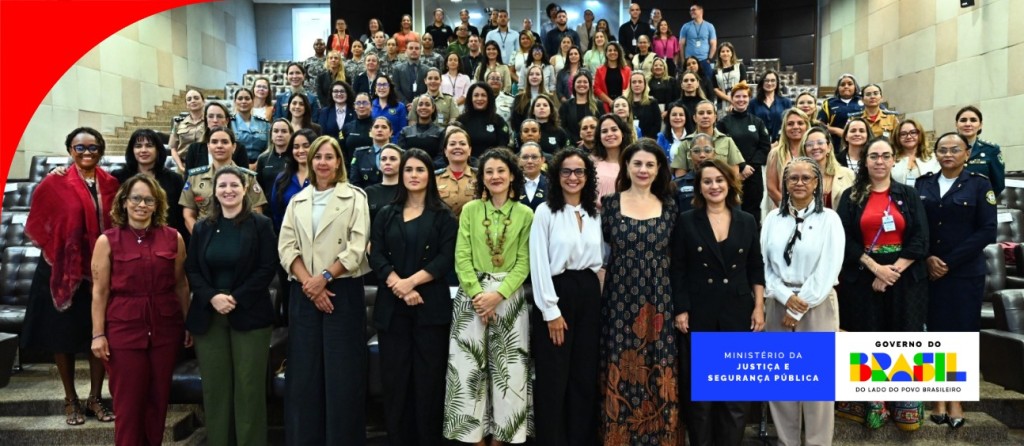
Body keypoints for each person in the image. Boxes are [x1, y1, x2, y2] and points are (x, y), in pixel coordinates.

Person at [278, 136, 371, 445]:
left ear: (339, 161)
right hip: (304, 293)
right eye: (318, 157)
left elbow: (357, 247)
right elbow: (286, 247)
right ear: (310, 160)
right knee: (305, 376)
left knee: (342, 375)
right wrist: (311, 283)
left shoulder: (355, 197)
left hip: (342, 291)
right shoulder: (297, 200)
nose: (323, 162)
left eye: (329, 157)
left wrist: (326, 277)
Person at [23, 127, 119, 426]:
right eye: (80, 148)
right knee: (61, 336)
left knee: (98, 334)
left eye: (93, 147)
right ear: (70, 151)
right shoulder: (54, 182)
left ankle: (95, 397)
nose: (87, 152)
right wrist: (61, 249)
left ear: (101, 150)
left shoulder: (111, 183)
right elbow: (38, 222)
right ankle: (71, 399)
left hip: (100, 272)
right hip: (62, 271)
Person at [835, 137, 929, 431]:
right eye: (873, 156)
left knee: (904, 339)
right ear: (864, 161)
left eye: (885, 156)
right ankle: (872, 404)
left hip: (905, 279)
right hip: (863, 277)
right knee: (867, 338)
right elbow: (844, 240)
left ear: (893, 160)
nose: (879, 161)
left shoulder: (908, 194)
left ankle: (904, 406)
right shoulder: (851, 196)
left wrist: (892, 272)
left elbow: (921, 237)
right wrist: (876, 269)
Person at [443, 148, 534, 445]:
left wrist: (498, 295)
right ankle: (475, 438)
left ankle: (502, 438)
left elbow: (524, 262)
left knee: (508, 372)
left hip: (509, 298)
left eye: (501, 171)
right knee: (469, 370)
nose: (495, 176)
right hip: (472, 298)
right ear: (481, 178)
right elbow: (461, 257)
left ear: (512, 176)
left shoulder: (525, 214)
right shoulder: (470, 210)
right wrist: (479, 295)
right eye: (489, 172)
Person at [90, 174, 189, 445]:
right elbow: (99, 291)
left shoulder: (174, 238)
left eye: (149, 200)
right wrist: (98, 334)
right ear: (124, 202)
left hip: (165, 330)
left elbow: (181, 285)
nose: (142, 205)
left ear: (157, 205)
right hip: (124, 331)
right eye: (135, 198)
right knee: (129, 407)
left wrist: (187, 323)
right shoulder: (107, 241)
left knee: (157, 404)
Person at [368, 147, 457, 446]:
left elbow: (445, 259)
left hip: (430, 310)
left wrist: (411, 283)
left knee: (428, 383)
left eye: (420, 170)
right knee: (396, 382)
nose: (414, 175)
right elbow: (376, 255)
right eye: (409, 169)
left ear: (430, 175)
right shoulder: (385, 214)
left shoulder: (444, 215)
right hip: (392, 311)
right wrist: (399, 285)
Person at [673, 158, 765, 446]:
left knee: (734, 396)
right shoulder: (687, 220)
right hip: (701, 312)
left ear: (729, 183)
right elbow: (678, 268)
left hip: (737, 313)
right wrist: (681, 308)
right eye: (707, 181)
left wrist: (759, 307)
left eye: (719, 180)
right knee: (701, 396)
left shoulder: (747, 220)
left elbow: (756, 267)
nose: (714, 186)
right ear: (699, 187)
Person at [184, 166, 278, 446]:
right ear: (214, 191)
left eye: (234, 185)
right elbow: (192, 269)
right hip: (209, 313)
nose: (228, 190)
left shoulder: (260, 225)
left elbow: (267, 267)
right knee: (216, 388)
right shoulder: (202, 227)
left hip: (249, 311)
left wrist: (235, 298)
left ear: (245, 189)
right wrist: (212, 296)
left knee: (249, 388)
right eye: (222, 185)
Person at [599, 139, 680, 444]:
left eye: (649, 164)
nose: (643, 169)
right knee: (621, 364)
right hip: (619, 300)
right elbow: (601, 255)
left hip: (659, 299)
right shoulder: (610, 204)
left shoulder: (670, 206)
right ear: (627, 167)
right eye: (637, 163)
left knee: (658, 365)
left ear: (659, 169)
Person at [760, 156, 845, 446]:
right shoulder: (772, 219)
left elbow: (829, 268)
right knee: (782, 382)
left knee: (817, 385)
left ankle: (817, 442)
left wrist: (798, 306)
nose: (799, 183)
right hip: (778, 302)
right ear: (784, 183)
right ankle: (787, 441)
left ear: (816, 183)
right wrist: (784, 297)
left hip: (816, 305)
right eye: (792, 178)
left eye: (805, 178)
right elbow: (764, 266)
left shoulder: (829, 219)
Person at [918, 132, 997, 431]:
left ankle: (956, 399)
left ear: (966, 153)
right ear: (935, 154)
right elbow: (917, 227)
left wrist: (949, 262)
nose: (948, 154)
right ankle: (938, 398)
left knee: (961, 336)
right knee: (935, 335)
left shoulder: (980, 184)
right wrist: (928, 257)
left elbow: (987, 230)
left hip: (964, 273)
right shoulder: (923, 184)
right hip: (930, 272)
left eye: (955, 149)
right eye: (942, 150)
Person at [529, 148, 602, 446]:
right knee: (554, 376)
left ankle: (580, 439)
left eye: (579, 171)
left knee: (584, 374)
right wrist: (551, 311)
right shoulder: (545, 212)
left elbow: (600, 262)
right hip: (557, 293)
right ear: (556, 175)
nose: (573, 177)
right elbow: (538, 263)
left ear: (588, 176)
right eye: (566, 171)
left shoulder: (594, 212)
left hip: (589, 293)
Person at [180, 127, 267, 233]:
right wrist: (200, 237)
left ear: (234, 147)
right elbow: (188, 214)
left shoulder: (248, 177)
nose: (219, 146)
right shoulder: (195, 177)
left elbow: (257, 212)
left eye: (225, 142)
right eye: (214, 142)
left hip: (240, 234)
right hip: (205, 235)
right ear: (208, 147)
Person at [111, 129, 188, 243]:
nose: (143, 150)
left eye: (149, 146)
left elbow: (181, 216)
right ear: (132, 150)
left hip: (165, 240)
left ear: (158, 149)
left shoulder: (174, 179)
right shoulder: (118, 177)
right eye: (138, 146)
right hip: (127, 239)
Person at [716, 81, 770, 224]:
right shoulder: (723, 123)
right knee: (731, 211)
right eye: (737, 96)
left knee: (753, 213)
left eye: (744, 96)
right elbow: (721, 148)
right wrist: (741, 167)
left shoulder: (757, 122)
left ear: (749, 99)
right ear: (731, 99)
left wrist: (748, 168)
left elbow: (765, 147)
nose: (741, 99)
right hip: (731, 174)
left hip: (753, 174)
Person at [670, 100, 743, 177]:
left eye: (709, 113)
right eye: (701, 113)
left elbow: (734, 174)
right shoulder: (685, 143)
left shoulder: (727, 142)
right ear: (694, 118)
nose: (705, 116)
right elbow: (680, 176)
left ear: (715, 117)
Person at [178, 102, 250, 171]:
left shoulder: (239, 148)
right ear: (206, 120)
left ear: (227, 120)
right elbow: (189, 178)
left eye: (219, 116)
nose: (215, 120)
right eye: (211, 116)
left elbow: (244, 177)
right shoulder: (194, 149)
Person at [269, 128, 315, 231]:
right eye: (296, 147)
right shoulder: (282, 178)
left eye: (306, 146)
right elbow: (276, 213)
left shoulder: (323, 178)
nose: (301, 151)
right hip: (289, 235)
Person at [765, 108, 811, 208]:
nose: (795, 127)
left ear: (807, 126)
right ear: (784, 128)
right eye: (790, 124)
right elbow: (772, 188)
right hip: (783, 208)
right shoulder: (776, 153)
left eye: (800, 123)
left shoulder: (813, 152)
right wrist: (789, 208)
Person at [801, 126, 855, 210]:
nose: (815, 147)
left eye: (820, 143)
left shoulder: (848, 174)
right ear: (804, 149)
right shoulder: (798, 177)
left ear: (829, 147)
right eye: (810, 144)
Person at [957, 105, 1005, 196]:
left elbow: (998, 184)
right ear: (956, 124)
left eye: (973, 120)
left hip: (979, 202)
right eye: (963, 120)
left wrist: (983, 201)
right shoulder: (946, 149)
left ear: (980, 125)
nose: (968, 124)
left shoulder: (991, 150)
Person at [456, 82, 511, 158]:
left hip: (492, 161)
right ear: (470, 98)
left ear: (489, 98)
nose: (479, 98)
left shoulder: (498, 121)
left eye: (483, 95)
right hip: (466, 162)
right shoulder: (461, 120)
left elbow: (502, 147)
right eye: (476, 95)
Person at [435, 128, 478, 217]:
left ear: (469, 150)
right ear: (445, 151)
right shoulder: (434, 178)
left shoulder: (479, 176)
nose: (457, 147)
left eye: (462, 144)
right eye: (452, 144)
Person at [592, 113, 634, 201]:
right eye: (604, 131)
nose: (609, 134)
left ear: (622, 133)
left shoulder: (633, 162)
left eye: (614, 129)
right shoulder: (591, 162)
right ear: (599, 137)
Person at [818, 73, 863, 151]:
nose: (846, 86)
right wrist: (835, 130)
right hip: (836, 145)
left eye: (850, 84)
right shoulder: (829, 103)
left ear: (855, 87)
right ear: (838, 88)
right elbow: (820, 124)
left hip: (861, 143)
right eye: (842, 84)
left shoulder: (863, 100)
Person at [672, 133, 715, 213]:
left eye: (707, 150)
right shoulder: (677, 185)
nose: (702, 155)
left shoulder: (725, 183)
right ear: (689, 155)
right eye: (696, 151)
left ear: (714, 154)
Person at [891, 118, 939, 187]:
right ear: (897, 137)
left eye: (913, 132)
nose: (908, 136)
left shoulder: (933, 158)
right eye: (903, 134)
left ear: (920, 135)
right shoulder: (891, 159)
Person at [350, 116, 394, 189]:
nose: (379, 130)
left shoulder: (400, 154)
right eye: (376, 127)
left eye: (384, 127)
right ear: (370, 132)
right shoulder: (359, 154)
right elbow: (354, 182)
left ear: (391, 132)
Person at [364, 144, 404, 223]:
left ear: (402, 164)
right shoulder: (369, 192)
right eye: (383, 159)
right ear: (379, 165)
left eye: (393, 159)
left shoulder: (407, 191)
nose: (387, 162)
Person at [749, 71, 792, 143]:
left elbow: (789, 124)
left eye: (773, 80)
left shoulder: (786, 102)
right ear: (762, 82)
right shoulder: (753, 103)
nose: (769, 83)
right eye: (766, 80)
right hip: (758, 143)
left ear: (777, 83)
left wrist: (778, 142)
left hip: (781, 143)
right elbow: (750, 125)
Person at [399, 93, 446, 159]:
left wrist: (428, 165)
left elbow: (442, 157)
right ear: (416, 108)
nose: (423, 107)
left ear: (433, 108)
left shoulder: (441, 132)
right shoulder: (405, 132)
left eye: (427, 105)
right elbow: (401, 155)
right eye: (420, 104)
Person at [679, 3, 718, 82]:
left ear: (701, 11)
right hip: (690, 61)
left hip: (704, 60)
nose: (691, 12)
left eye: (694, 10)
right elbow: (681, 44)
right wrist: (683, 60)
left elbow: (713, 44)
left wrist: (710, 59)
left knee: (708, 82)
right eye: (690, 10)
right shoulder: (685, 26)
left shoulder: (709, 26)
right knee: (690, 83)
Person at [232, 87, 271, 164]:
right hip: (235, 165)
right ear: (235, 102)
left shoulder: (264, 123)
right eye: (240, 99)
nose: (243, 101)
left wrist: (257, 164)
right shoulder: (229, 123)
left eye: (247, 98)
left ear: (253, 101)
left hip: (261, 164)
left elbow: (269, 147)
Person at [512, 65, 556, 131]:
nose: (534, 77)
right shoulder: (519, 97)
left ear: (542, 78)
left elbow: (552, 118)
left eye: (537, 74)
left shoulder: (549, 97)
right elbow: (515, 120)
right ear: (527, 78)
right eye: (531, 74)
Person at [559, 71, 598, 141]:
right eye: (579, 82)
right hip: (572, 143)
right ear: (574, 85)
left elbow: (601, 126)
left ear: (589, 85)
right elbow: (562, 127)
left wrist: (588, 140)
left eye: (585, 82)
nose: (582, 84)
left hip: (594, 143)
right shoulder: (566, 105)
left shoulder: (598, 105)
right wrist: (575, 141)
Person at [168, 89, 206, 158]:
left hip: (204, 162)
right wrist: (180, 164)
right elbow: (173, 148)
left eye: (196, 98)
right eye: (189, 99)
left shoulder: (211, 121)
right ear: (186, 105)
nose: (193, 101)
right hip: (182, 161)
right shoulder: (178, 123)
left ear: (203, 101)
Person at [593, 42, 630, 112]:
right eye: (610, 50)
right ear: (606, 53)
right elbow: (596, 88)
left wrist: (619, 102)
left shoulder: (627, 70)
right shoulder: (599, 70)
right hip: (606, 104)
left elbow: (629, 87)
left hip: (623, 104)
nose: (612, 52)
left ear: (619, 53)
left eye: (615, 50)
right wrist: (610, 101)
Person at [371, 74, 408, 142]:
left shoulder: (400, 107)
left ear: (390, 88)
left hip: (394, 144)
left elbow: (403, 130)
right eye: (379, 85)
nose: (382, 88)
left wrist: (391, 143)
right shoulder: (370, 105)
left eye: (384, 85)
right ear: (375, 88)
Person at [625, 72, 662, 138]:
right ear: (630, 85)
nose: (637, 85)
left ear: (645, 84)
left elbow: (657, 125)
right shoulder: (625, 103)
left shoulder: (652, 102)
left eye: (640, 82)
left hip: (648, 140)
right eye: (634, 82)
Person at [711, 42, 746, 111]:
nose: (725, 53)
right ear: (719, 55)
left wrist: (734, 99)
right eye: (722, 51)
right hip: (721, 103)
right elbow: (715, 89)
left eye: (728, 51)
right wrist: (729, 99)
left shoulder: (739, 66)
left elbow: (743, 83)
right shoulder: (715, 71)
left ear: (732, 53)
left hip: (738, 100)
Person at [392, 39, 428, 105]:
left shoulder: (427, 70)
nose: (414, 50)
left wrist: (419, 103)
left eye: (417, 48)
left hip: (422, 105)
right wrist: (406, 104)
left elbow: (428, 89)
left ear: (421, 51)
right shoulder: (398, 69)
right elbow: (396, 89)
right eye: (411, 48)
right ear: (406, 51)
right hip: (403, 105)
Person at [341, 92, 375, 159]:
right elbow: (341, 149)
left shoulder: (378, 127)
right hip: (351, 165)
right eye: (358, 103)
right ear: (354, 106)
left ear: (371, 107)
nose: (361, 106)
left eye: (365, 103)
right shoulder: (347, 127)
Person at [674, 69, 709, 134]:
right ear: (682, 85)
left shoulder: (706, 105)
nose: (689, 83)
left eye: (692, 80)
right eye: (686, 80)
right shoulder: (676, 106)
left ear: (698, 84)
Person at [517, 142, 548, 211]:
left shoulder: (552, 185)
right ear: (519, 160)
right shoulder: (512, 185)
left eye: (534, 157)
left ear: (543, 160)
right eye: (525, 157)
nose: (530, 161)